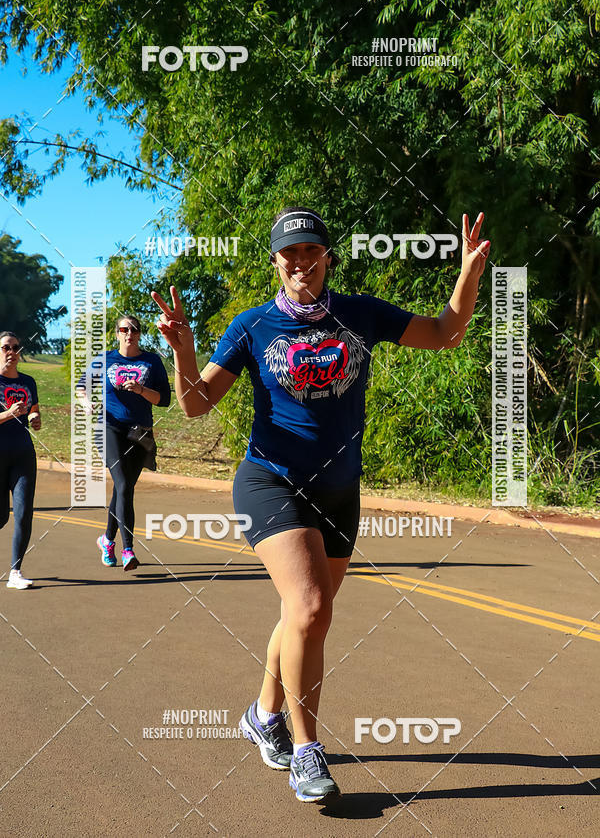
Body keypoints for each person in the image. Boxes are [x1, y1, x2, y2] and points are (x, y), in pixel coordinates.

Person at [152, 206, 490, 803]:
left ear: (327, 256)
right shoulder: (252, 326)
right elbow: (196, 404)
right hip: (270, 481)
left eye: (311, 251)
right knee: (309, 606)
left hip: (339, 490)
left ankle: (261, 714)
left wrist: (467, 273)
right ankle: (307, 752)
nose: (300, 262)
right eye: (290, 253)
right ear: (276, 262)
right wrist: (183, 347)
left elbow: (445, 333)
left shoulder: (358, 314)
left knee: (305, 614)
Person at [93, 315, 171, 571]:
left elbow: (163, 400)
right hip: (109, 427)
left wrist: (140, 390)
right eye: (124, 329)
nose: (130, 333)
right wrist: (87, 403)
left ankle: (107, 539)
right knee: (124, 484)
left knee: (122, 489)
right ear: (116, 333)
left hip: (140, 432)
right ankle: (128, 549)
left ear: (140, 334)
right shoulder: (104, 359)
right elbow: (83, 387)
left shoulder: (152, 361)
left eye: (134, 329)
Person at [0, 331, 42, 589]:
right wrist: (7, 414)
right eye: (6, 347)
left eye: (15, 347)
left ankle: (15, 571)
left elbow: (35, 414)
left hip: (23, 454)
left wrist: (35, 421)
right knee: (1, 517)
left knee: (24, 513)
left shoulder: (29, 382)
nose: (11, 352)